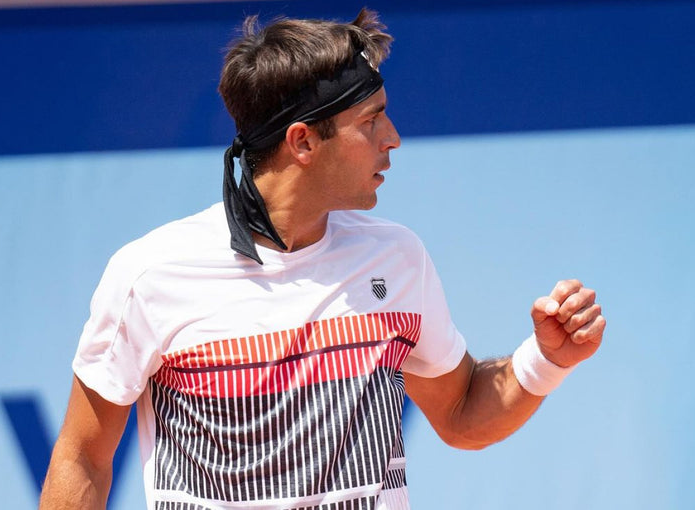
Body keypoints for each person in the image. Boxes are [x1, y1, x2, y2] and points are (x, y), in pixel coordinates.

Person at [39, 8, 605, 510]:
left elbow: (461, 414)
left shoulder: (397, 257)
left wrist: (548, 359)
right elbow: (82, 459)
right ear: (303, 142)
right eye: (370, 120)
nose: (395, 138)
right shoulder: (151, 275)